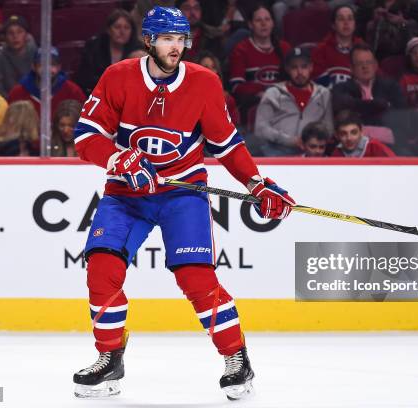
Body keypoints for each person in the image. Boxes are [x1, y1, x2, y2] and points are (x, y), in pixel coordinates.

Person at [71, 6, 295, 400]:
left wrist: (257, 183)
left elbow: (228, 146)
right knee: (101, 268)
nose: (176, 48)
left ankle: (237, 358)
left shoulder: (204, 83)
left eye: (180, 39)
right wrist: (117, 157)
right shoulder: (118, 76)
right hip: (127, 193)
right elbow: (86, 135)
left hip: (183, 192)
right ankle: (110, 358)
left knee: (197, 279)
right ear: (148, 41)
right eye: (167, 39)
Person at [255, 46, 333, 156]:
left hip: (311, 153)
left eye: (304, 67)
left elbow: (329, 129)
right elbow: (260, 129)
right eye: (294, 67)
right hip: (277, 152)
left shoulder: (323, 94)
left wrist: (312, 141)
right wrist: (290, 140)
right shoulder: (273, 93)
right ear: (287, 69)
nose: (300, 72)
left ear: (311, 67)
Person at [228, 4, 291, 122]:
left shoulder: (284, 48)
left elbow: (293, 80)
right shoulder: (241, 49)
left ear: (273, 23)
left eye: (267, 19)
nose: (264, 24)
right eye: (258, 20)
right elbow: (236, 87)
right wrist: (263, 91)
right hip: (254, 103)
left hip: (283, 102)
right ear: (250, 24)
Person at [75, 9, 140, 96]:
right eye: (117, 27)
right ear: (108, 30)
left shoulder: (138, 49)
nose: (122, 32)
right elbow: (84, 79)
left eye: (127, 28)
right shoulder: (94, 47)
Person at [8, 47, 86, 116]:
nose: (47, 69)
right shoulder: (17, 93)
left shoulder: (73, 91)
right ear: (34, 67)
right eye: (42, 64)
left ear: (59, 67)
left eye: (52, 64)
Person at [311, 4, 364, 88]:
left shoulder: (364, 50)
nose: (346, 23)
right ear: (333, 25)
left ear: (355, 25)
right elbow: (315, 83)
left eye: (350, 19)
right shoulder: (321, 50)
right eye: (341, 19)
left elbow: (376, 78)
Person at [0, 15, 37, 98]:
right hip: (9, 104)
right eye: (10, 33)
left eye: (19, 32)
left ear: (26, 35)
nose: (15, 36)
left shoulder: (36, 54)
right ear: (4, 37)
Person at [196, 50, 240, 125]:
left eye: (213, 67)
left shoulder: (227, 99)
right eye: (206, 67)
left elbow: (235, 124)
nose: (210, 71)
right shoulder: (188, 97)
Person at [329, 113, 396, 156]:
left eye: (354, 132)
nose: (349, 138)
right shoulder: (336, 153)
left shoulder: (375, 147)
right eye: (343, 134)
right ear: (337, 135)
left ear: (361, 132)